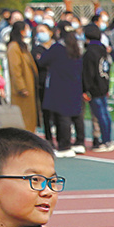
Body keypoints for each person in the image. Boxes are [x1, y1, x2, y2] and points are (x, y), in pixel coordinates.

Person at [37, 25, 84, 157]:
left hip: (60, 86)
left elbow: (42, 61)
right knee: (77, 115)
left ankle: (65, 145)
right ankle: (80, 142)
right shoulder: (76, 48)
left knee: (63, 116)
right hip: (75, 85)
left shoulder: (57, 48)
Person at [81, 23, 114, 152]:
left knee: (100, 115)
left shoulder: (90, 52)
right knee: (105, 114)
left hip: (94, 87)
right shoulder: (102, 50)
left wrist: (85, 89)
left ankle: (105, 141)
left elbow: (88, 73)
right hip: (103, 84)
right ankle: (108, 139)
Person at [6, 20, 40, 133]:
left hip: (30, 85)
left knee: (30, 116)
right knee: (23, 117)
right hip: (22, 89)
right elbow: (15, 69)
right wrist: (21, 87)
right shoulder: (14, 47)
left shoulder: (22, 46)